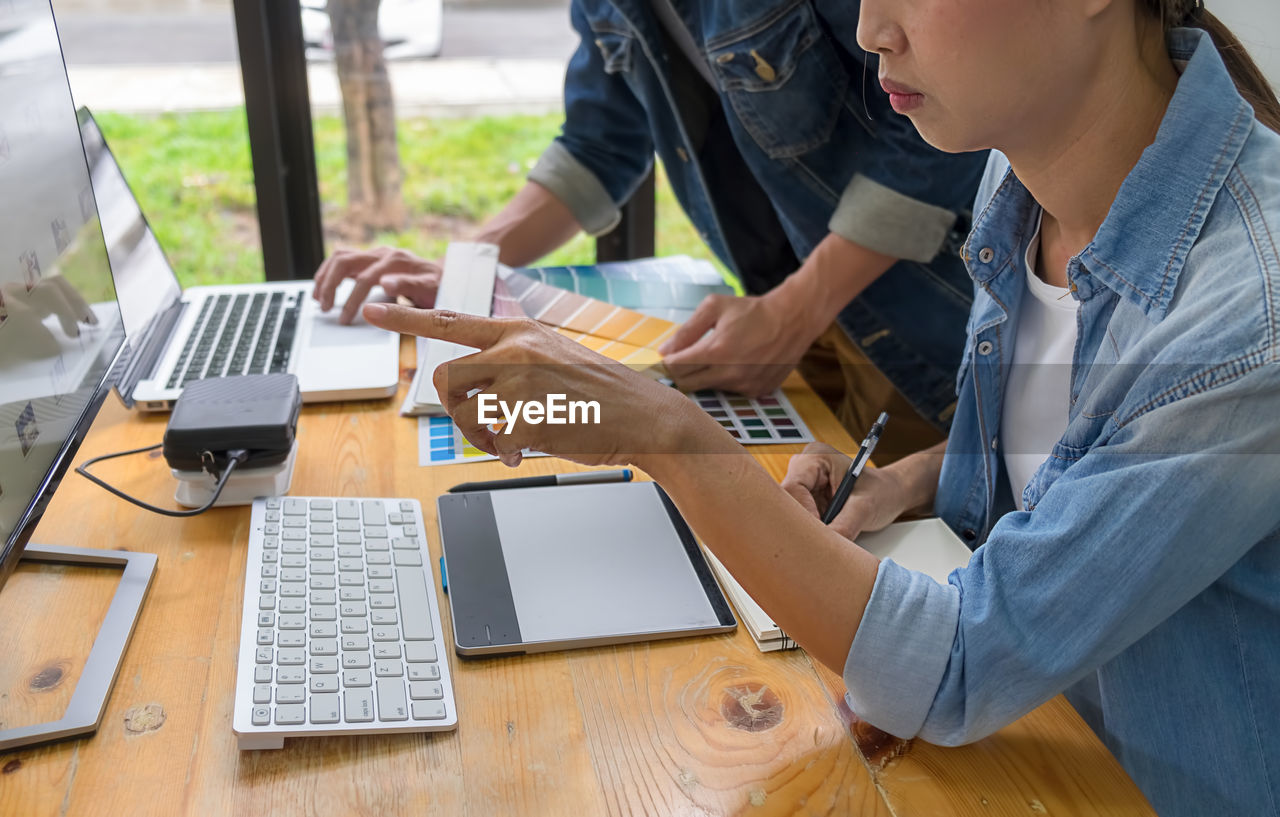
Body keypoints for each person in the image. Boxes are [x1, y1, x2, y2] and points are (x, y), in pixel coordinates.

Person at [363, 0, 1280, 812]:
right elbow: (1081, 457)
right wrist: (909, 481)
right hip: (1022, 746)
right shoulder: (1021, 179)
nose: (870, 28)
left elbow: (958, 666)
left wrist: (667, 433)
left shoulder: (1247, 317)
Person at [312, 1, 990, 462]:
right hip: (764, 313)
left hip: (920, 324)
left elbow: (944, 122)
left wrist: (798, 307)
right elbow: (599, 143)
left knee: (917, 557)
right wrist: (465, 269)